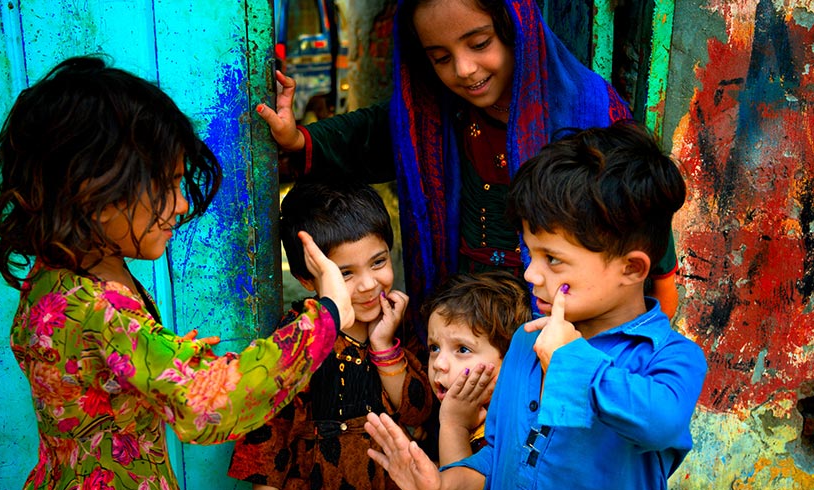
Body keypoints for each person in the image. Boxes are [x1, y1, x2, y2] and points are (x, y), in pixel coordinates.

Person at [0, 56, 354, 490]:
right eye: (168, 185)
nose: (181, 205)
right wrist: (326, 317)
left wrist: (163, 354)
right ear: (95, 191)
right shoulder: (101, 308)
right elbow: (208, 405)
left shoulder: (55, 276)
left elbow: (111, 375)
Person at [364, 121, 708, 490]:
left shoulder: (669, 358)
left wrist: (573, 361)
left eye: (554, 260)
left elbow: (662, 422)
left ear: (631, 268)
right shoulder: (528, 340)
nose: (532, 275)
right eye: (530, 254)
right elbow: (506, 456)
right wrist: (441, 484)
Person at [256, 0, 680, 331]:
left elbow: (651, 245)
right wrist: (297, 138)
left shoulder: (589, 111)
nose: (464, 69)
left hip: (565, 330)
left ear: (517, 30)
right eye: (440, 57)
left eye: (479, 44)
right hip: (465, 324)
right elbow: (370, 136)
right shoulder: (433, 116)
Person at [228, 181, 433, 490]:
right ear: (308, 279)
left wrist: (384, 346)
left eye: (378, 262)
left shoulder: (396, 325)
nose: (370, 284)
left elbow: (418, 408)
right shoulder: (302, 339)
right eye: (346, 274)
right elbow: (267, 432)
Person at [417, 271, 532, 490]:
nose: (440, 363)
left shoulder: (513, 427)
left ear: (509, 362)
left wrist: (453, 425)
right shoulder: (449, 412)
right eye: (434, 347)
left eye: (462, 350)